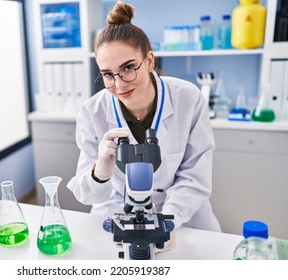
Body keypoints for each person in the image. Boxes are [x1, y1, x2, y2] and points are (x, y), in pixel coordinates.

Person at [66, 1, 221, 234]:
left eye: (128, 67)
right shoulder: (92, 112)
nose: (119, 84)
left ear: (149, 61)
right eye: (108, 74)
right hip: (117, 212)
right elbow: (86, 194)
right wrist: (100, 171)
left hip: (184, 217)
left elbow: (194, 179)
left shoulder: (188, 99)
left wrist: (166, 223)